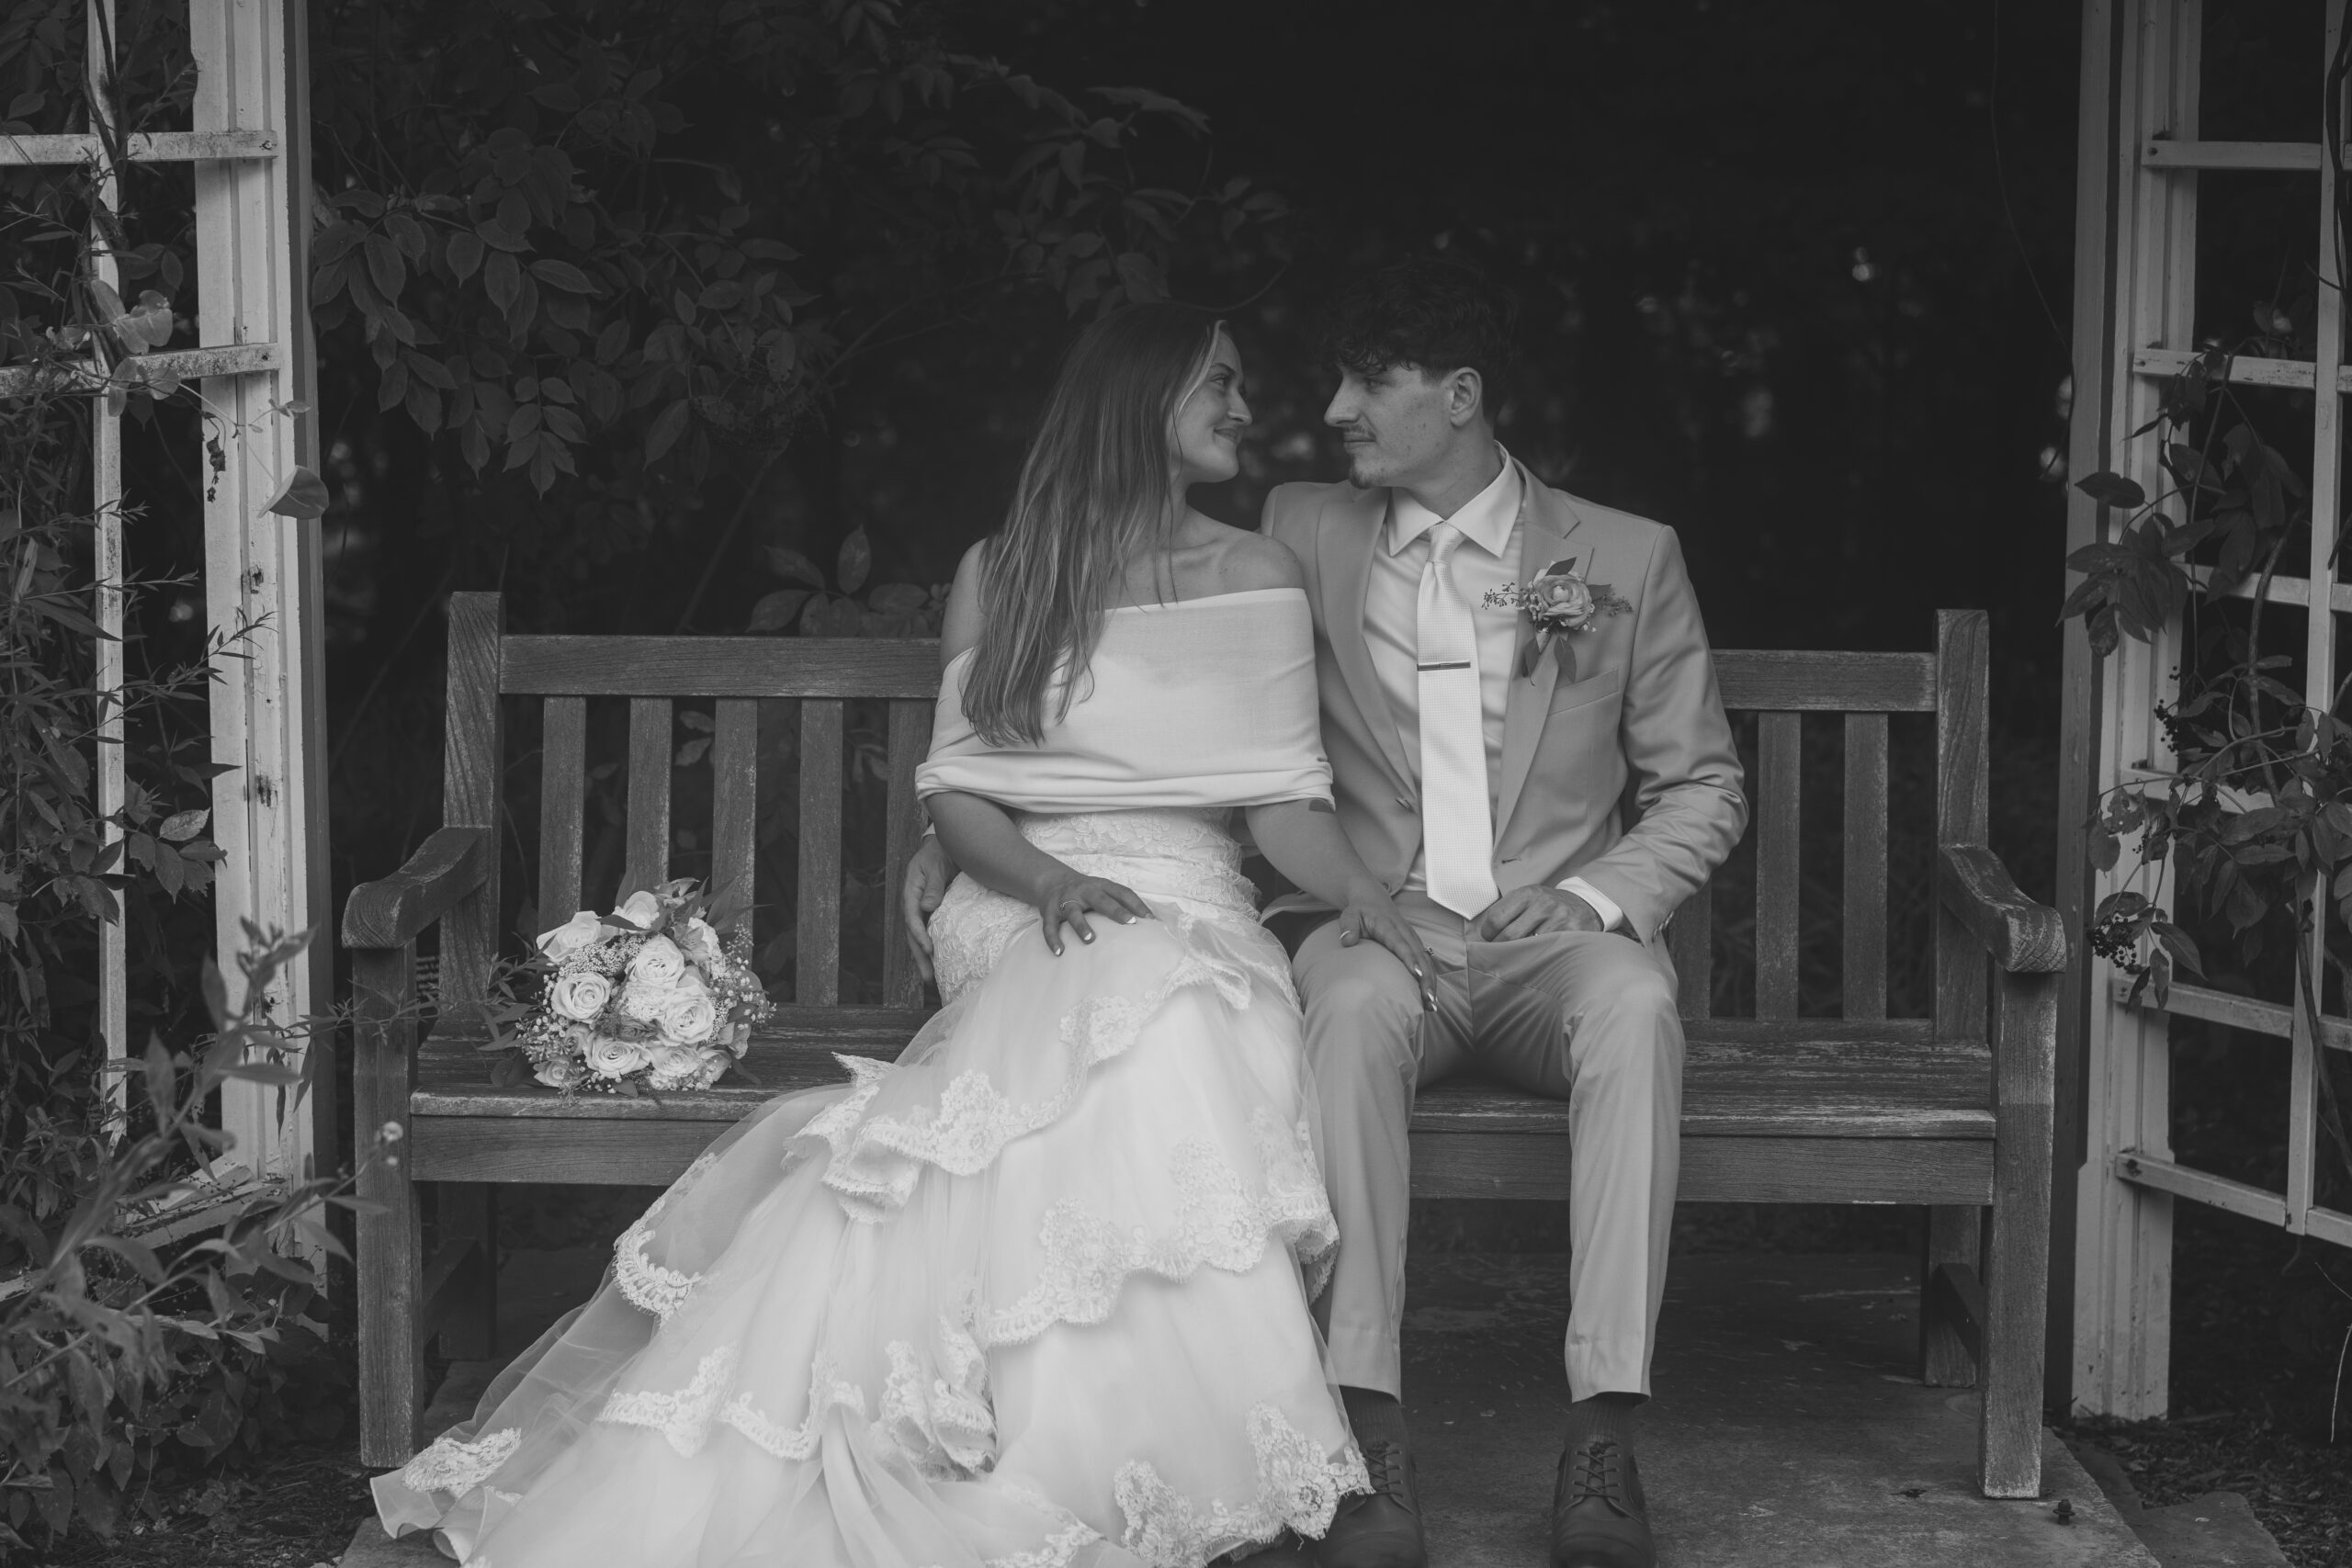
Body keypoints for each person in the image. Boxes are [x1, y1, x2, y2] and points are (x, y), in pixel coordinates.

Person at [371, 302, 1442, 1568]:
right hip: (1020, 892)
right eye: (1217, 382)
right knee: (1119, 983)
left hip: (1195, 900)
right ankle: (1118, 1445)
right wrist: (1045, 882)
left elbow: (1282, 801)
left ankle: (1090, 1446)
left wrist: (1372, 893)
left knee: (1175, 1001)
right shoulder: (1012, 569)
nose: (1240, 408)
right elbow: (962, 796)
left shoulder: (1257, 575)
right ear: (1140, 400)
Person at [905, 259, 1746, 1568]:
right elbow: (1114, 599)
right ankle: (1368, 1433)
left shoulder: (1624, 559)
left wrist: (1591, 896)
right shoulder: (1298, 531)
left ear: (1459, 396)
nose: (1334, 406)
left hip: (1553, 948)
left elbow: (1699, 784)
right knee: (1341, 1016)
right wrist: (973, 837)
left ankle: (1604, 1436)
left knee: (1637, 1008)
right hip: (1374, 935)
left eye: (1372, 382)